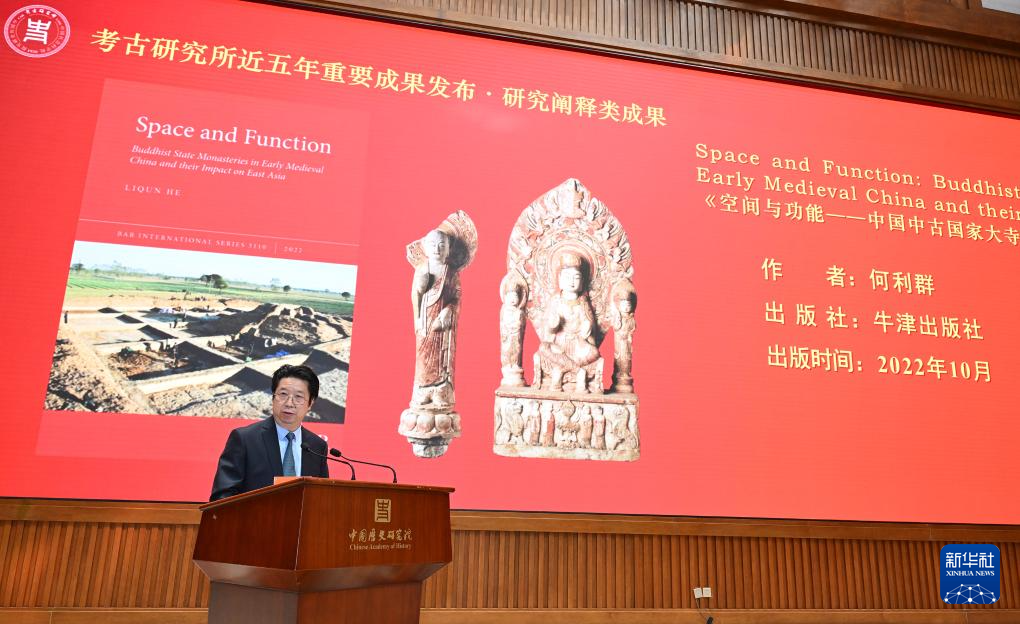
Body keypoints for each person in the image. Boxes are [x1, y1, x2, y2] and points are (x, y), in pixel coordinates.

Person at [209, 364, 329, 501]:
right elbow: (222, 497)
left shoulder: (317, 446)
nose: (289, 403)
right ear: (273, 397)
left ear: (310, 403)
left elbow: (322, 497)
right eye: (283, 394)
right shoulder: (245, 439)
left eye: (298, 397)